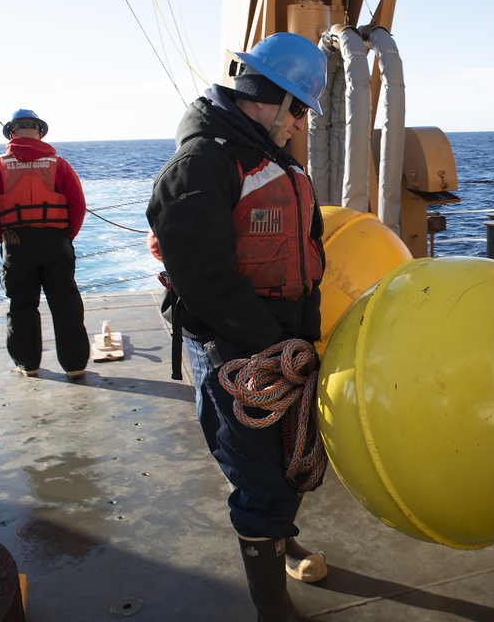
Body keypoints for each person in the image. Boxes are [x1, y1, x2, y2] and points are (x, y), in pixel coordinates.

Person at [146, 31, 329, 622]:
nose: (301, 124)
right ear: (271, 98)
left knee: (290, 459)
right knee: (258, 472)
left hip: (281, 338)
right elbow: (204, 277)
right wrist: (272, 345)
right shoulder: (203, 161)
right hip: (232, 341)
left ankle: (279, 535)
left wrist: (307, 336)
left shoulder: (274, 155)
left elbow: (308, 246)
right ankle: (272, 605)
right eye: (299, 109)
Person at [0, 109, 90, 379]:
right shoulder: (59, 165)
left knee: (22, 304)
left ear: (11, 133)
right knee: (65, 303)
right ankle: (74, 366)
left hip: (16, 244)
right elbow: (77, 205)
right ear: (39, 131)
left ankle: (28, 364)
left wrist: (3, 236)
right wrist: (65, 236)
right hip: (55, 242)